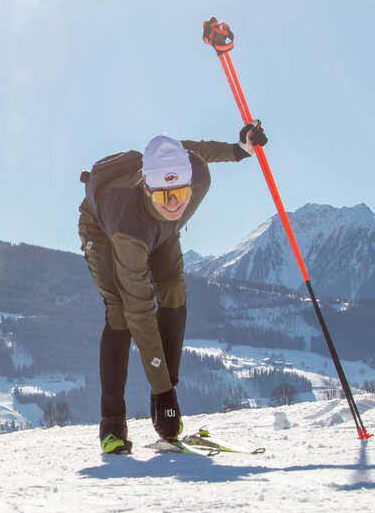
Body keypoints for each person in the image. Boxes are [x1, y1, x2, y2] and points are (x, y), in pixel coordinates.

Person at [78, 122, 267, 454]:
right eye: (164, 195)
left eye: (180, 193)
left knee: (174, 290)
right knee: (121, 313)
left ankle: (163, 394)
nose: (174, 203)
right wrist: (166, 396)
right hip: (105, 229)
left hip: (159, 231)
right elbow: (141, 313)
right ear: (147, 189)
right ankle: (112, 426)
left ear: (189, 183)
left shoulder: (196, 175)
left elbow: (192, 149)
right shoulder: (129, 233)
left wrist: (240, 150)